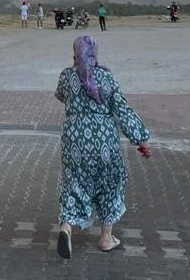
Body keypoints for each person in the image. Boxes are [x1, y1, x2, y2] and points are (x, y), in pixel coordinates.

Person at [53, 35, 150, 258]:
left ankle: (66, 227)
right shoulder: (106, 77)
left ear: (75, 54)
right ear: (95, 54)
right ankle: (106, 237)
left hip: (74, 138)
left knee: (74, 182)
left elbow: (61, 96)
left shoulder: (67, 77)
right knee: (110, 182)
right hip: (104, 137)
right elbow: (123, 111)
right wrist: (141, 139)